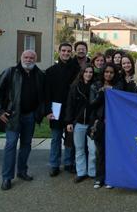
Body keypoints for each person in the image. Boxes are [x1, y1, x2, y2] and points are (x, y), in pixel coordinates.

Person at [0, 50, 46, 190]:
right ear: (21, 58)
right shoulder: (11, 72)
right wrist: (0, 111)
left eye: (31, 57)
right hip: (13, 116)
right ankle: (7, 178)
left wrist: (39, 113)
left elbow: (42, 97)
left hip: (30, 116)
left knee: (26, 145)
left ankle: (22, 171)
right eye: (26, 57)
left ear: (36, 59)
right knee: (11, 146)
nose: (28, 60)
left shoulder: (39, 75)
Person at [45, 43, 80, 177]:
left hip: (72, 108)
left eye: (68, 51)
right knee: (56, 137)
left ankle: (68, 163)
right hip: (56, 108)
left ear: (71, 53)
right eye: (63, 51)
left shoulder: (76, 69)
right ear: (59, 52)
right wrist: (48, 110)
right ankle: (54, 164)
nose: (66, 53)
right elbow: (46, 93)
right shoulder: (51, 71)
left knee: (70, 137)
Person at [90, 63, 122, 189]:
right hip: (99, 123)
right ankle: (99, 178)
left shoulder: (118, 86)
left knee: (112, 151)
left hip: (114, 124)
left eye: (111, 72)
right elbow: (92, 104)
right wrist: (101, 93)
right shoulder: (96, 85)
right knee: (100, 151)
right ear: (103, 73)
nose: (108, 74)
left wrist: (112, 91)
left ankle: (111, 178)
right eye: (106, 72)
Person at [65, 65, 97, 183]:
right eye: (86, 72)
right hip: (78, 122)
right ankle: (81, 172)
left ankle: (92, 172)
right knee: (79, 149)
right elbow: (70, 105)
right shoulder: (75, 87)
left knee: (92, 149)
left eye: (91, 72)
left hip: (91, 123)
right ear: (82, 73)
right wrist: (68, 121)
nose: (88, 74)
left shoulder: (95, 87)